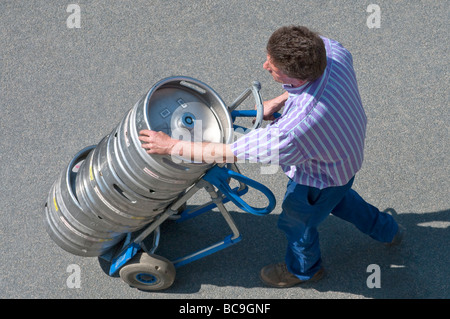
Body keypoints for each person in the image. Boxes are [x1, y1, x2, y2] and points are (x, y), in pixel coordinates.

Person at [138, 25, 404, 288]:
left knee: (297, 225)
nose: (266, 65)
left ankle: (304, 271)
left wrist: (170, 145)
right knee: (342, 199)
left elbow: (223, 152)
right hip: (344, 158)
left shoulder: (290, 133)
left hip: (316, 179)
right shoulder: (332, 53)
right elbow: (309, 84)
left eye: (273, 66)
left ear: (297, 76)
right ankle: (387, 230)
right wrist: (282, 100)